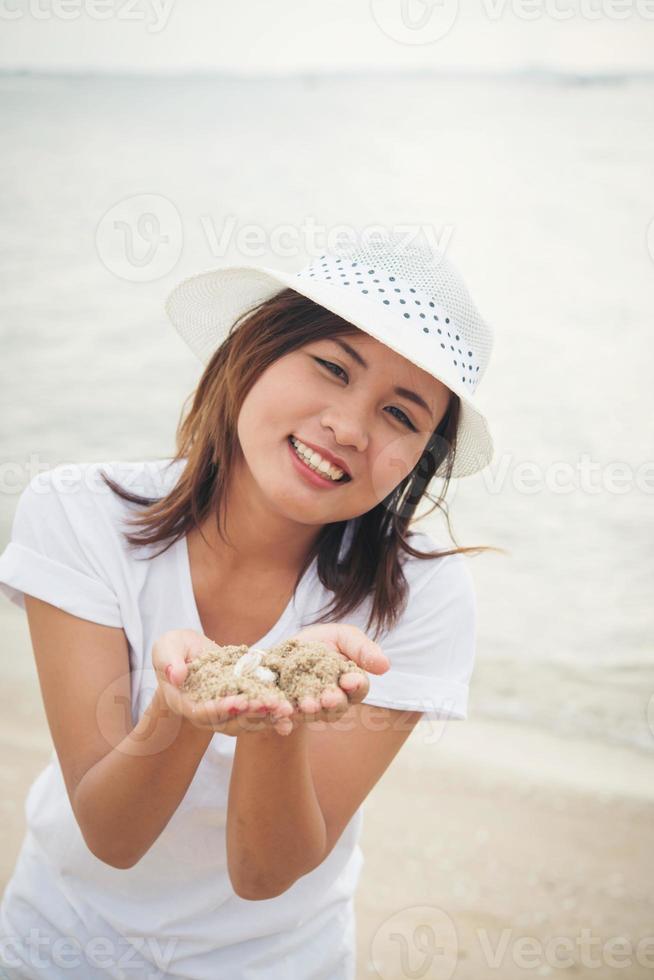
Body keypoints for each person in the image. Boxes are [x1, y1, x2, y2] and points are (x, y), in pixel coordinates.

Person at [0, 233, 497, 979]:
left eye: (401, 415)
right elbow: (113, 833)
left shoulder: (422, 598)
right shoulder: (78, 514)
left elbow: (264, 874)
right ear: (252, 351)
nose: (351, 427)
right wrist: (181, 706)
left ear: (422, 457)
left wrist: (280, 709)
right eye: (332, 367)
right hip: (60, 945)